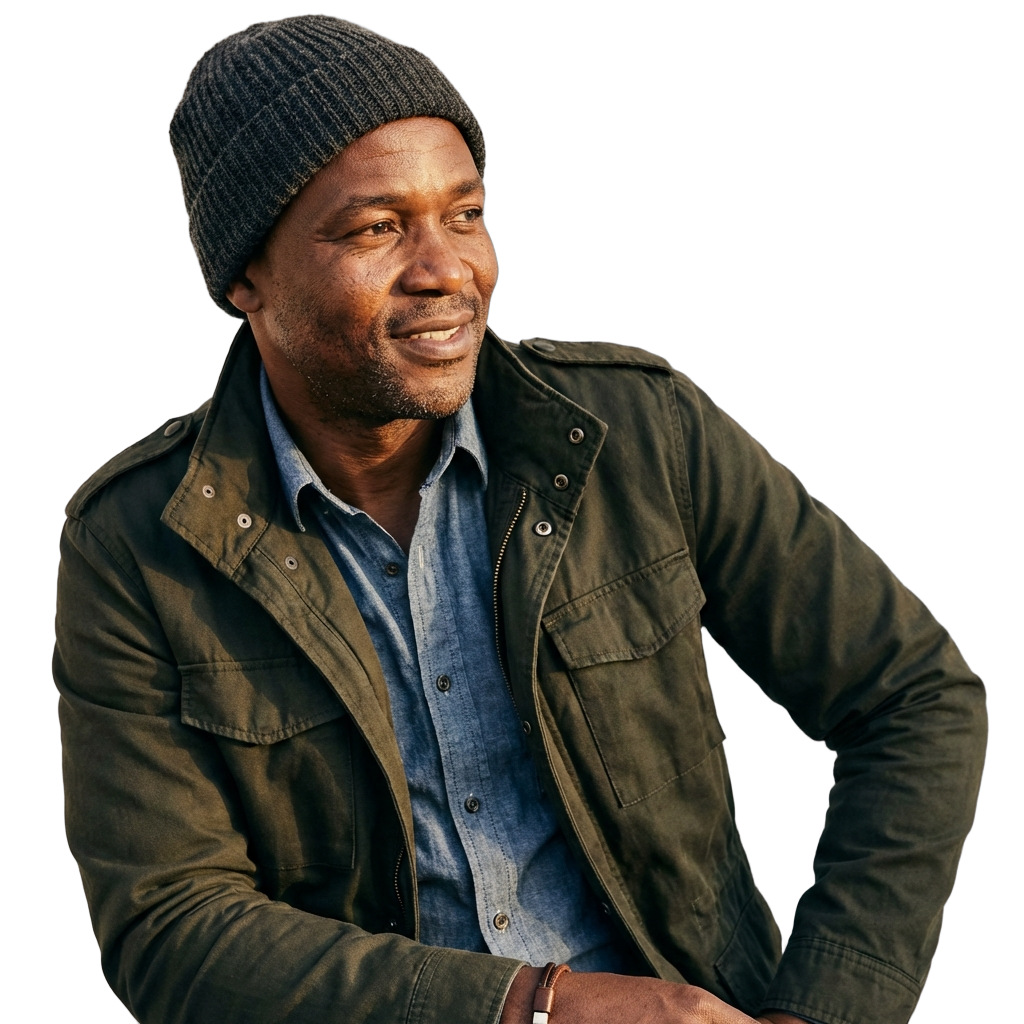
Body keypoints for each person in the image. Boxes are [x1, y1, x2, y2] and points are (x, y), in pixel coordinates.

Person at [54, 16, 987, 1024]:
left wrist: (828, 1007)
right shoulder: (138, 541)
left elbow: (911, 696)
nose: (447, 270)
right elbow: (169, 929)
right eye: (376, 229)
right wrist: (539, 1007)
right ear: (247, 277)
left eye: (465, 214)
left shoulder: (637, 429)